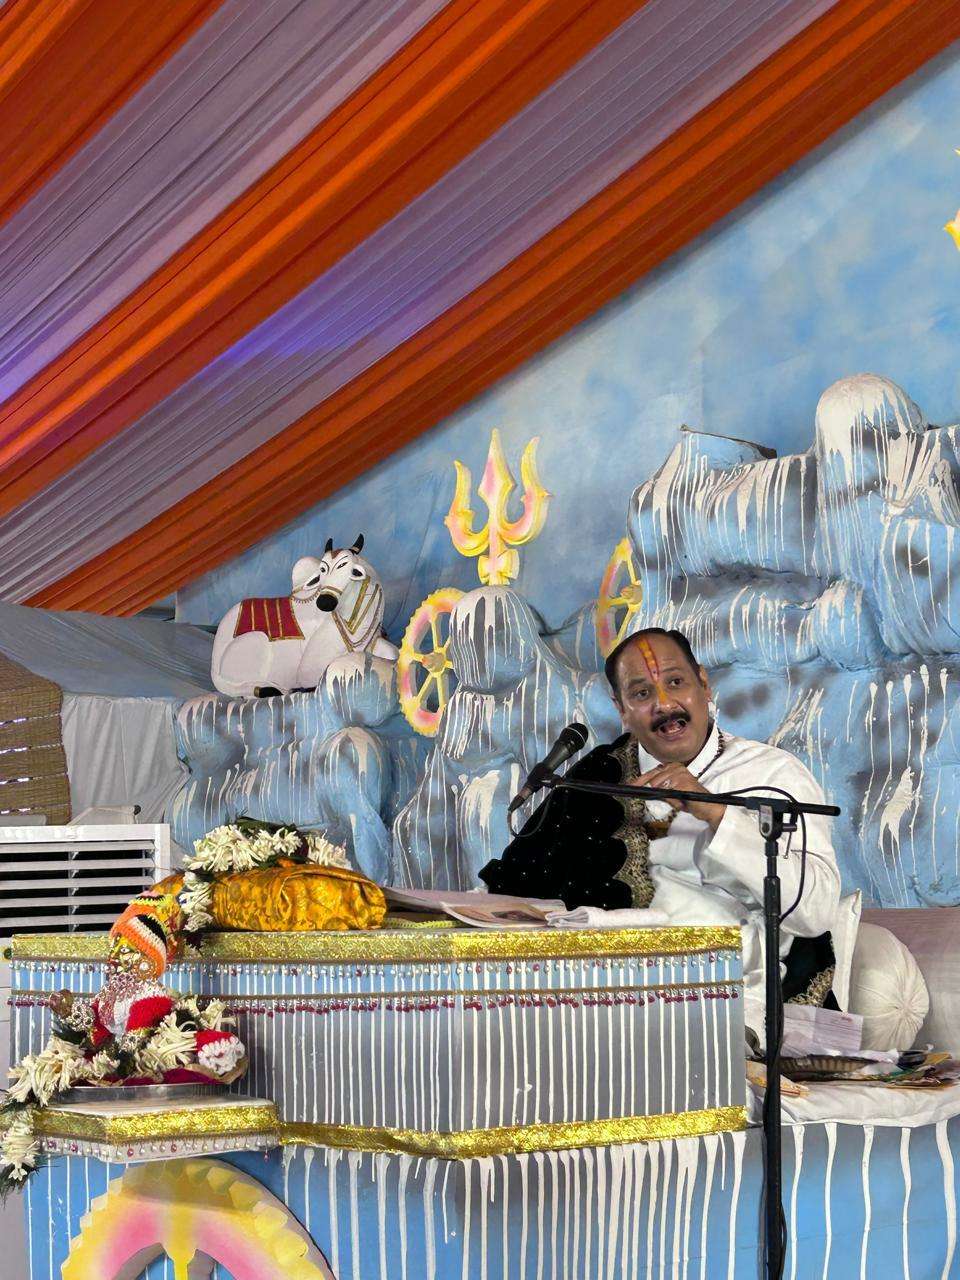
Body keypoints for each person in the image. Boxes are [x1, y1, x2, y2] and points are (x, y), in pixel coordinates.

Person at [479, 627, 842, 1029]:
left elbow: (815, 913)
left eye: (676, 682)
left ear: (703, 684)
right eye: (641, 693)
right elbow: (518, 885)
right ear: (621, 710)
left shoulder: (773, 776)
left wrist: (718, 815)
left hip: (737, 1001)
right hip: (603, 995)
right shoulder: (596, 780)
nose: (665, 705)